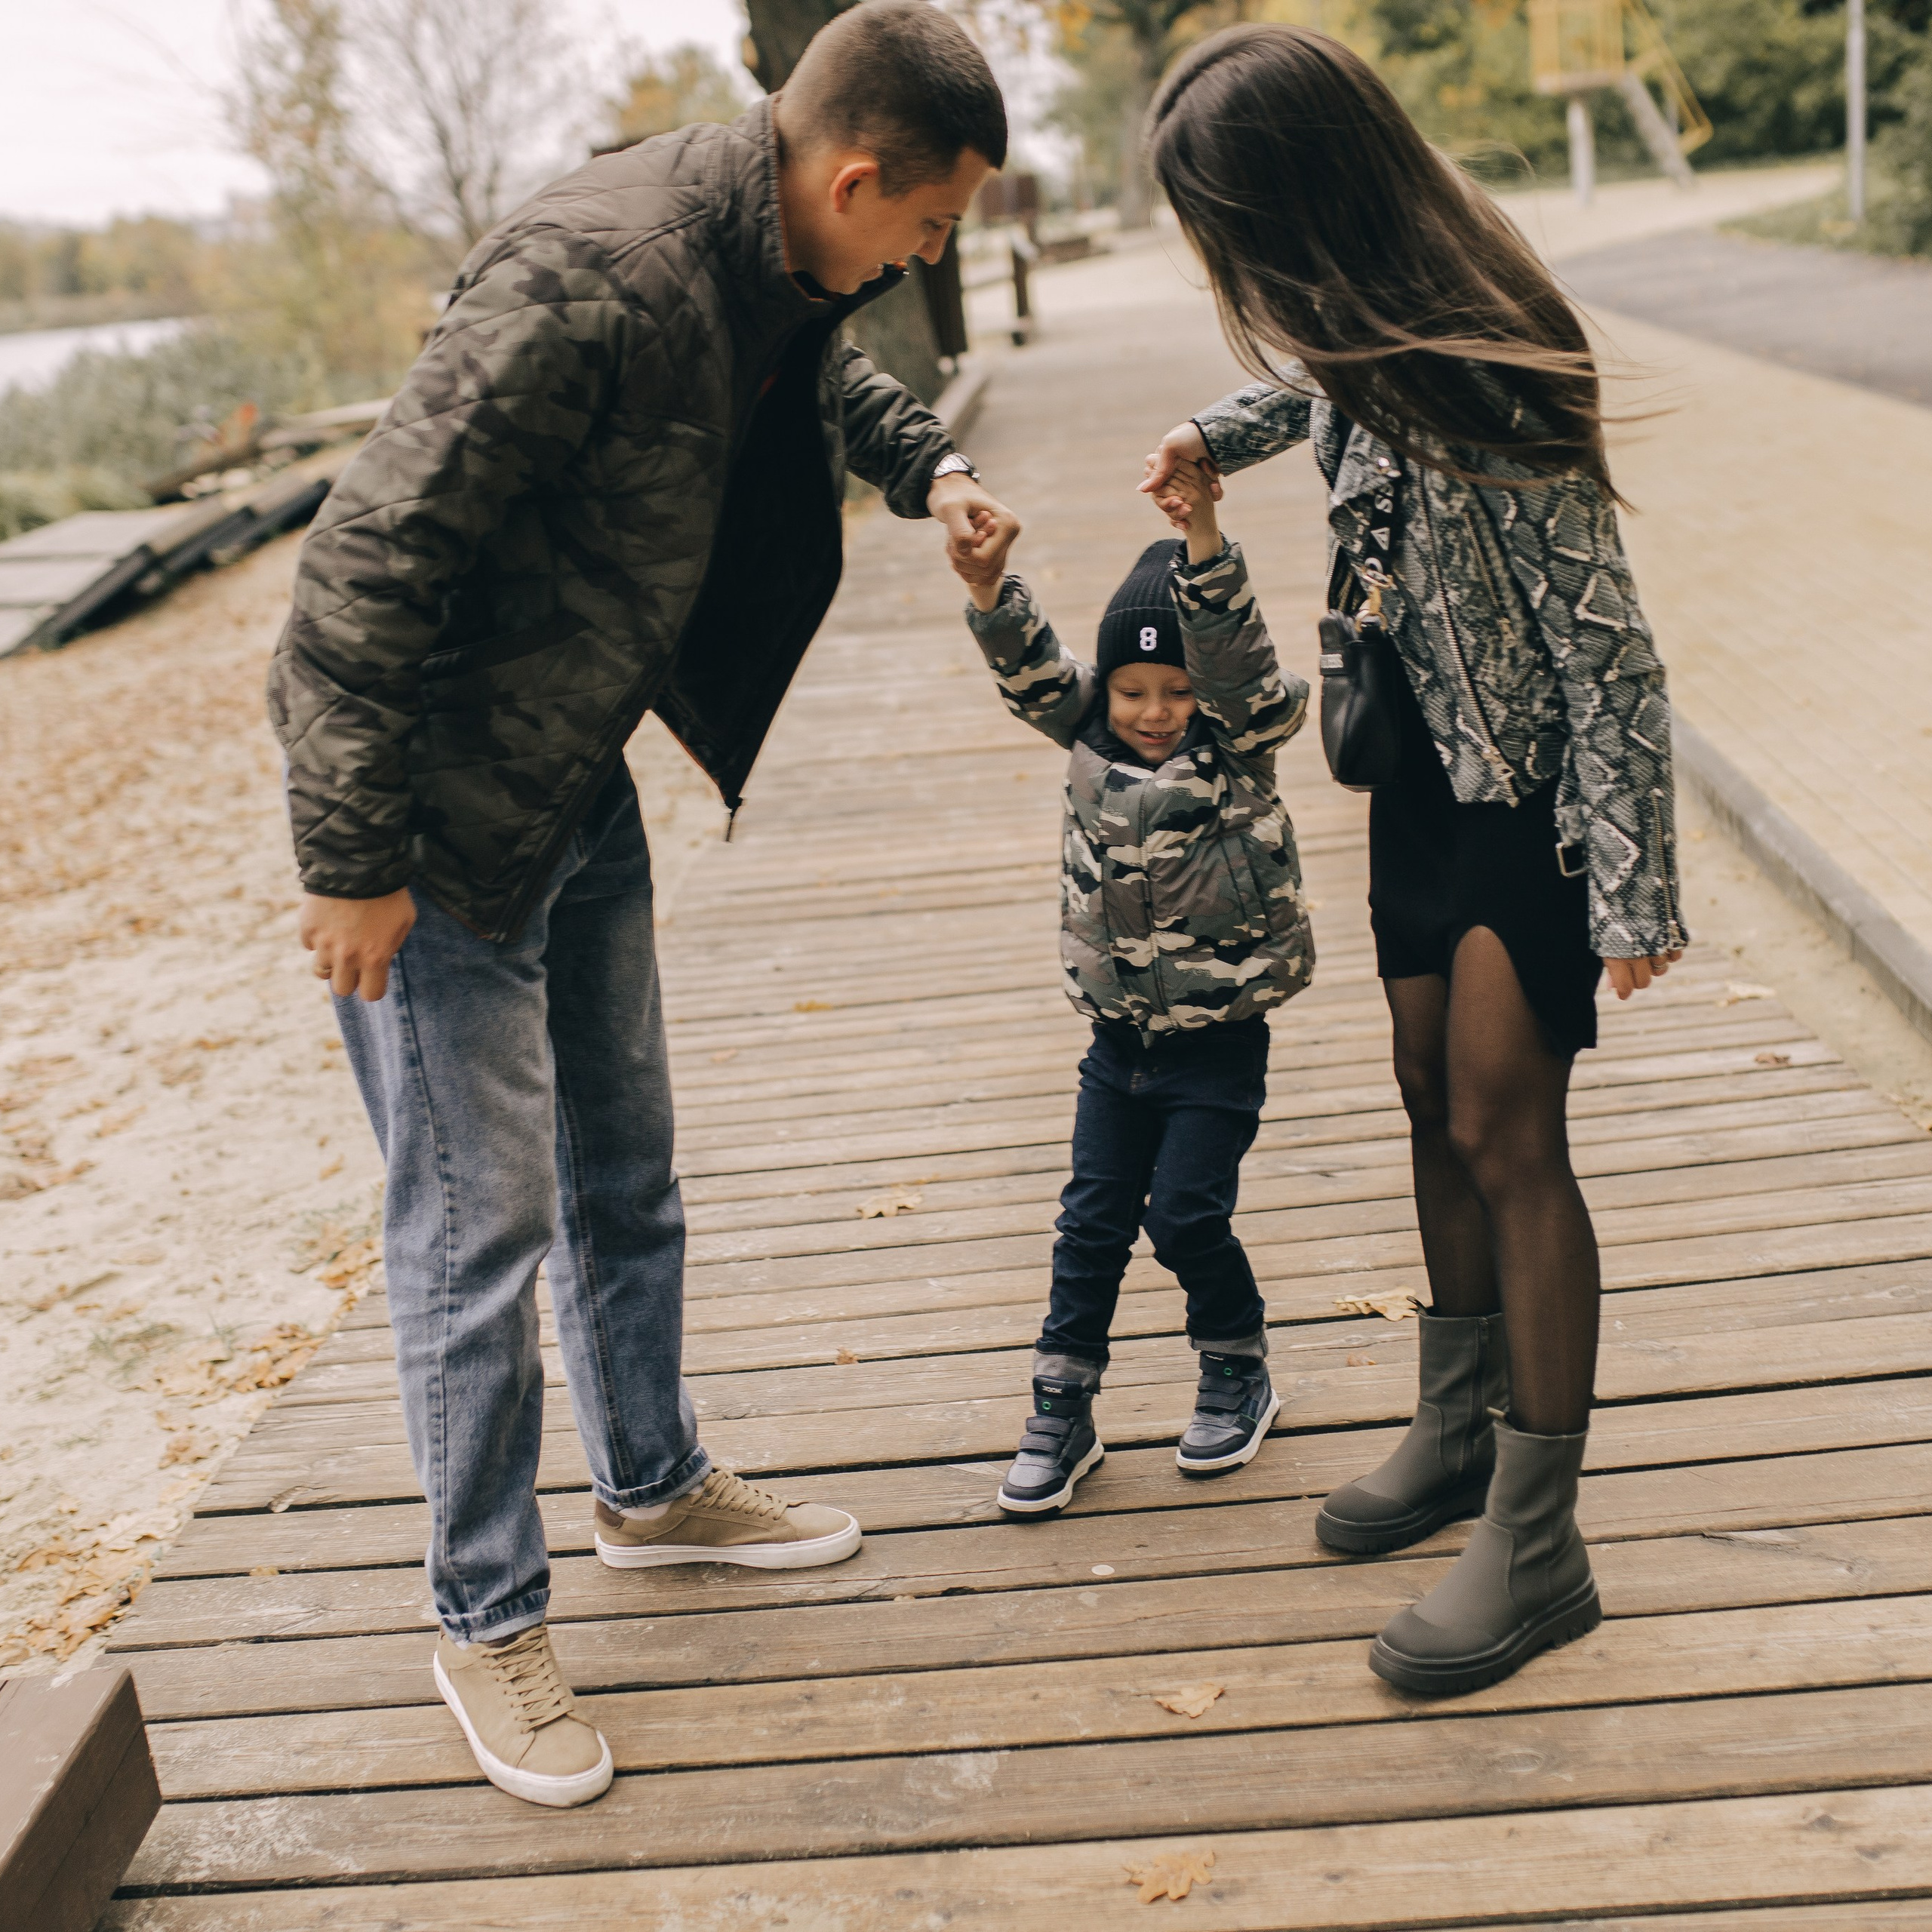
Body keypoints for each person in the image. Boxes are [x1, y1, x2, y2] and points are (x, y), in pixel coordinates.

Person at [266, 1, 1018, 1808]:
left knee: (628, 1163)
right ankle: (483, 1614)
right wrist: (352, 861)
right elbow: (357, 568)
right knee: (478, 1230)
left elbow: (806, 369)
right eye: (926, 230)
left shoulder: (769, 242)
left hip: (570, 772)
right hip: (438, 828)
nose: (923, 262)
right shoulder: (597, 274)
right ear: (856, 178)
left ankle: (652, 1484)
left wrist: (926, 463)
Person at [1140, 24, 1687, 1696]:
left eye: (1235, 235)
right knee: (1423, 1091)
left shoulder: (1488, 362)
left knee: (1506, 1128)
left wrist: (1632, 885)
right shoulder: (1355, 344)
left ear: (1305, 207)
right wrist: (1210, 438)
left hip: (1528, 804)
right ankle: (1458, 1434)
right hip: (1417, 790)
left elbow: (1609, 650)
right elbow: (1304, 390)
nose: (1234, 274)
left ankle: (1539, 1535)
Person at [952, 457, 1314, 1517]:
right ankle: (1062, 1407)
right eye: (1133, 691)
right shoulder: (1084, 735)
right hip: (1117, 1044)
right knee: (1091, 1226)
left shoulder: (1239, 746)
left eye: (1177, 691)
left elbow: (1242, 664)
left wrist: (1203, 538)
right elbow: (1029, 664)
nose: (1155, 712)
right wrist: (988, 585)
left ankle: (1238, 1366)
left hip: (1218, 1043)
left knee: (1186, 1217)